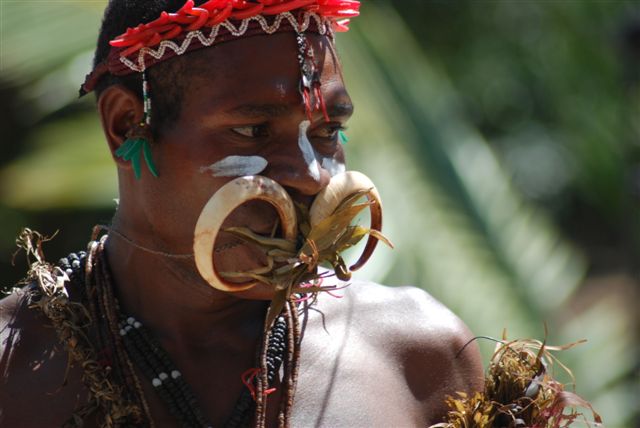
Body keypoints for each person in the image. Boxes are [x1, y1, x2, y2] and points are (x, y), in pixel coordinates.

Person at [0, 1, 484, 426]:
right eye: (253, 131)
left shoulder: (419, 355)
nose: (313, 177)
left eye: (327, 130)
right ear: (127, 125)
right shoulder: (12, 370)